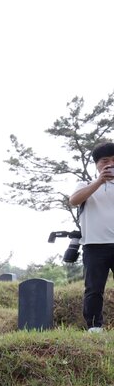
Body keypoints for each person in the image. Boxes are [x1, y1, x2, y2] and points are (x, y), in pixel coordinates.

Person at [67, 139, 114, 332]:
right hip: (94, 245)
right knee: (94, 289)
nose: (110, 164)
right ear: (97, 164)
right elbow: (74, 200)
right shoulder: (85, 185)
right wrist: (99, 181)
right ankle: (94, 327)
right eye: (105, 161)